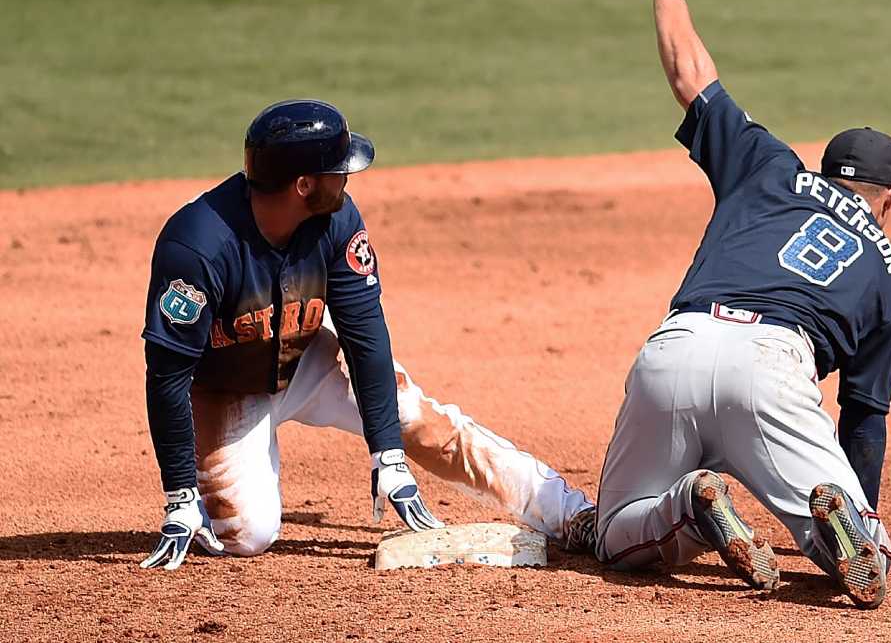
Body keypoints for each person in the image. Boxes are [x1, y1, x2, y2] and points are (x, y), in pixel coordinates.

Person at [576, 0, 891, 607]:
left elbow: (690, 77)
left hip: (681, 346)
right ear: (890, 198)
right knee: (859, 556)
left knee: (617, 532)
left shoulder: (770, 166)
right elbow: (865, 416)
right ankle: (853, 529)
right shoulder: (884, 267)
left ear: (825, 173)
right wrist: (863, 503)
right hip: (773, 375)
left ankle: (687, 506)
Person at [139, 99, 594, 569]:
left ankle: (570, 513)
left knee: (417, 417)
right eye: (338, 170)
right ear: (303, 185)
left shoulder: (337, 219)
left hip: (306, 360)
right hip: (226, 392)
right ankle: (208, 493)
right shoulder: (196, 246)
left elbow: (365, 335)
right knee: (248, 534)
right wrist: (179, 492)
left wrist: (388, 453)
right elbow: (167, 375)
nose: (348, 180)